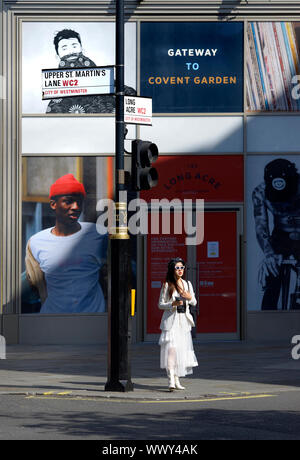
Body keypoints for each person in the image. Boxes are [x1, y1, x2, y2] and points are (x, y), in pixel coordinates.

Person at [25, 173, 108, 314]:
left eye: (79, 202)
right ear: (53, 204)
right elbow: (35, 283)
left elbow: (111, 276)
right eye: (68, 201)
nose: (75, 206)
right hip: (53, 322)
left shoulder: (98, 234)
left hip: (94, 321)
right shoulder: (36, 242)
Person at [46, 28, 136, 114]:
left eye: (74, 46)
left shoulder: (105, 82)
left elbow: (133, 99)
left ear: (82, 49)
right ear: (57, 56)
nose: (71, 51)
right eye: (64, 48)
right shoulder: (56, 98)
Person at [252, 158, 300, 310]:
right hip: (281, 236)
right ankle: (268, 318)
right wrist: (269, 254)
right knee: (272, 276)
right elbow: (261, 226)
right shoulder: (260, 192)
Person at [158, 257, 198, 391]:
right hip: (171, 323)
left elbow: (194, 302)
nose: (180, 270)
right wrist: (172, 304)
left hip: (183, 323)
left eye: (182, 267)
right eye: (177, 268)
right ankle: (170, 380)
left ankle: (177, 380)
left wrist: (189, 298)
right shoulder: (167, 284)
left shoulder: (187, 284)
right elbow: (160, 304)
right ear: (172, 269)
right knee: (171, 351)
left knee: (180, 352)